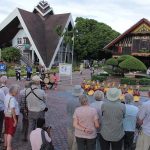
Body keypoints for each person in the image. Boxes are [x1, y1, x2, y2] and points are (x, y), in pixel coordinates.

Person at [4, 84, 20, 150]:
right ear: (14, 92)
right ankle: (9, 147)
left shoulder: (7, 95)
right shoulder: (12, 99)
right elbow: (12, 109)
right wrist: (15, 120)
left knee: (6, 130)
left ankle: (5, 145)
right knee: (10, 132)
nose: (17, 93)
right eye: (17, 92)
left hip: (6, 115)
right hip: (12, 116)